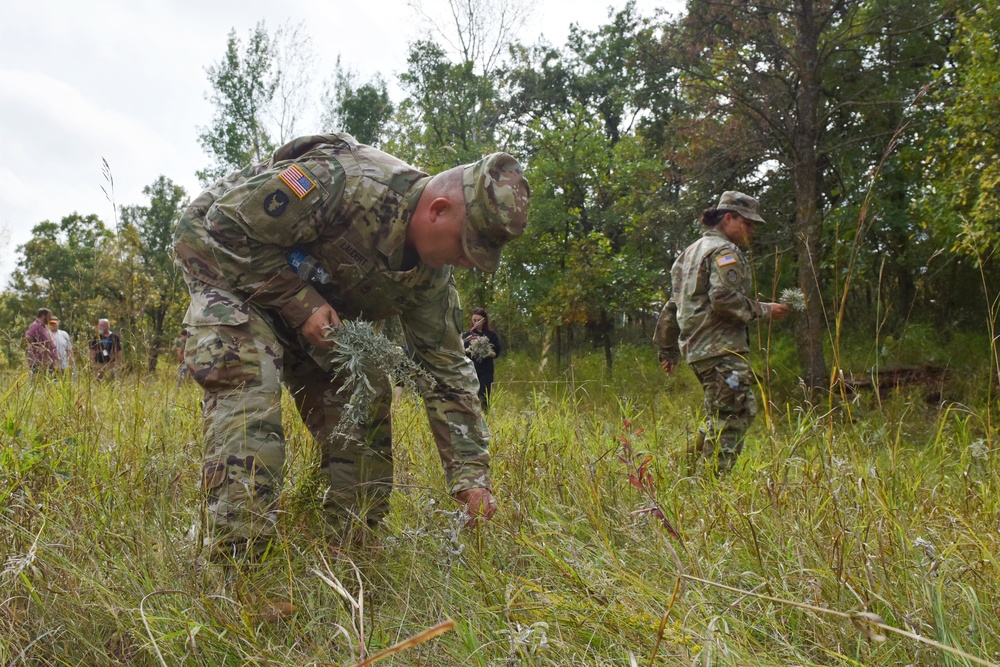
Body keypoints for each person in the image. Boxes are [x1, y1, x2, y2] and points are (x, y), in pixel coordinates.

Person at [173, 132, 530, 559]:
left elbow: (447, 372)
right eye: (466, 246)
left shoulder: (430, 279)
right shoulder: (344, 181)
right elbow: (226, 227)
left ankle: (352, 544)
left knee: (366, 388)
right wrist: (302, 304)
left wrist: (471, 477)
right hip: (225, 259)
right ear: (438, 210)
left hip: (307, 304)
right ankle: (243, 562)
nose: (468, 261)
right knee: (249, 373)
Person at [653, 191, 789, 475]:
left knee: (721, 412)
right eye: (747, 223)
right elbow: (724, 299)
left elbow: (673, 305)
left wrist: (667, 349)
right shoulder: (724, 252)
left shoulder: (688, 253)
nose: (750, 230)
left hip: (698, 350)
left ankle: (679, 469)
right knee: (735, 414)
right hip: (720, 349)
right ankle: (711, 484)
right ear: (729, 218)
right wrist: (764, 309)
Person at [462, 307, 501, 412]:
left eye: (478, 320)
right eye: (474, 320)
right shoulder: (467, 335)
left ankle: (485, 418)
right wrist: (469, 350)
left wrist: (484, 351)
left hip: (486, 371)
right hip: (470, 370)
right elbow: (461, 351)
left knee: (483, 397)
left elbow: (495, 353)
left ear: (484, 320)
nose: (476, 322)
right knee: (470, 397)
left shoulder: (491, 335)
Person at [24, 307, 57, 374]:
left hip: (47, 362)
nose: (50, 318)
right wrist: (37, 347)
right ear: (43, 316)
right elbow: (28, 336)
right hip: (39, 362)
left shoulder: (43, 326)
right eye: (49, 316)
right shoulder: (36, 325)